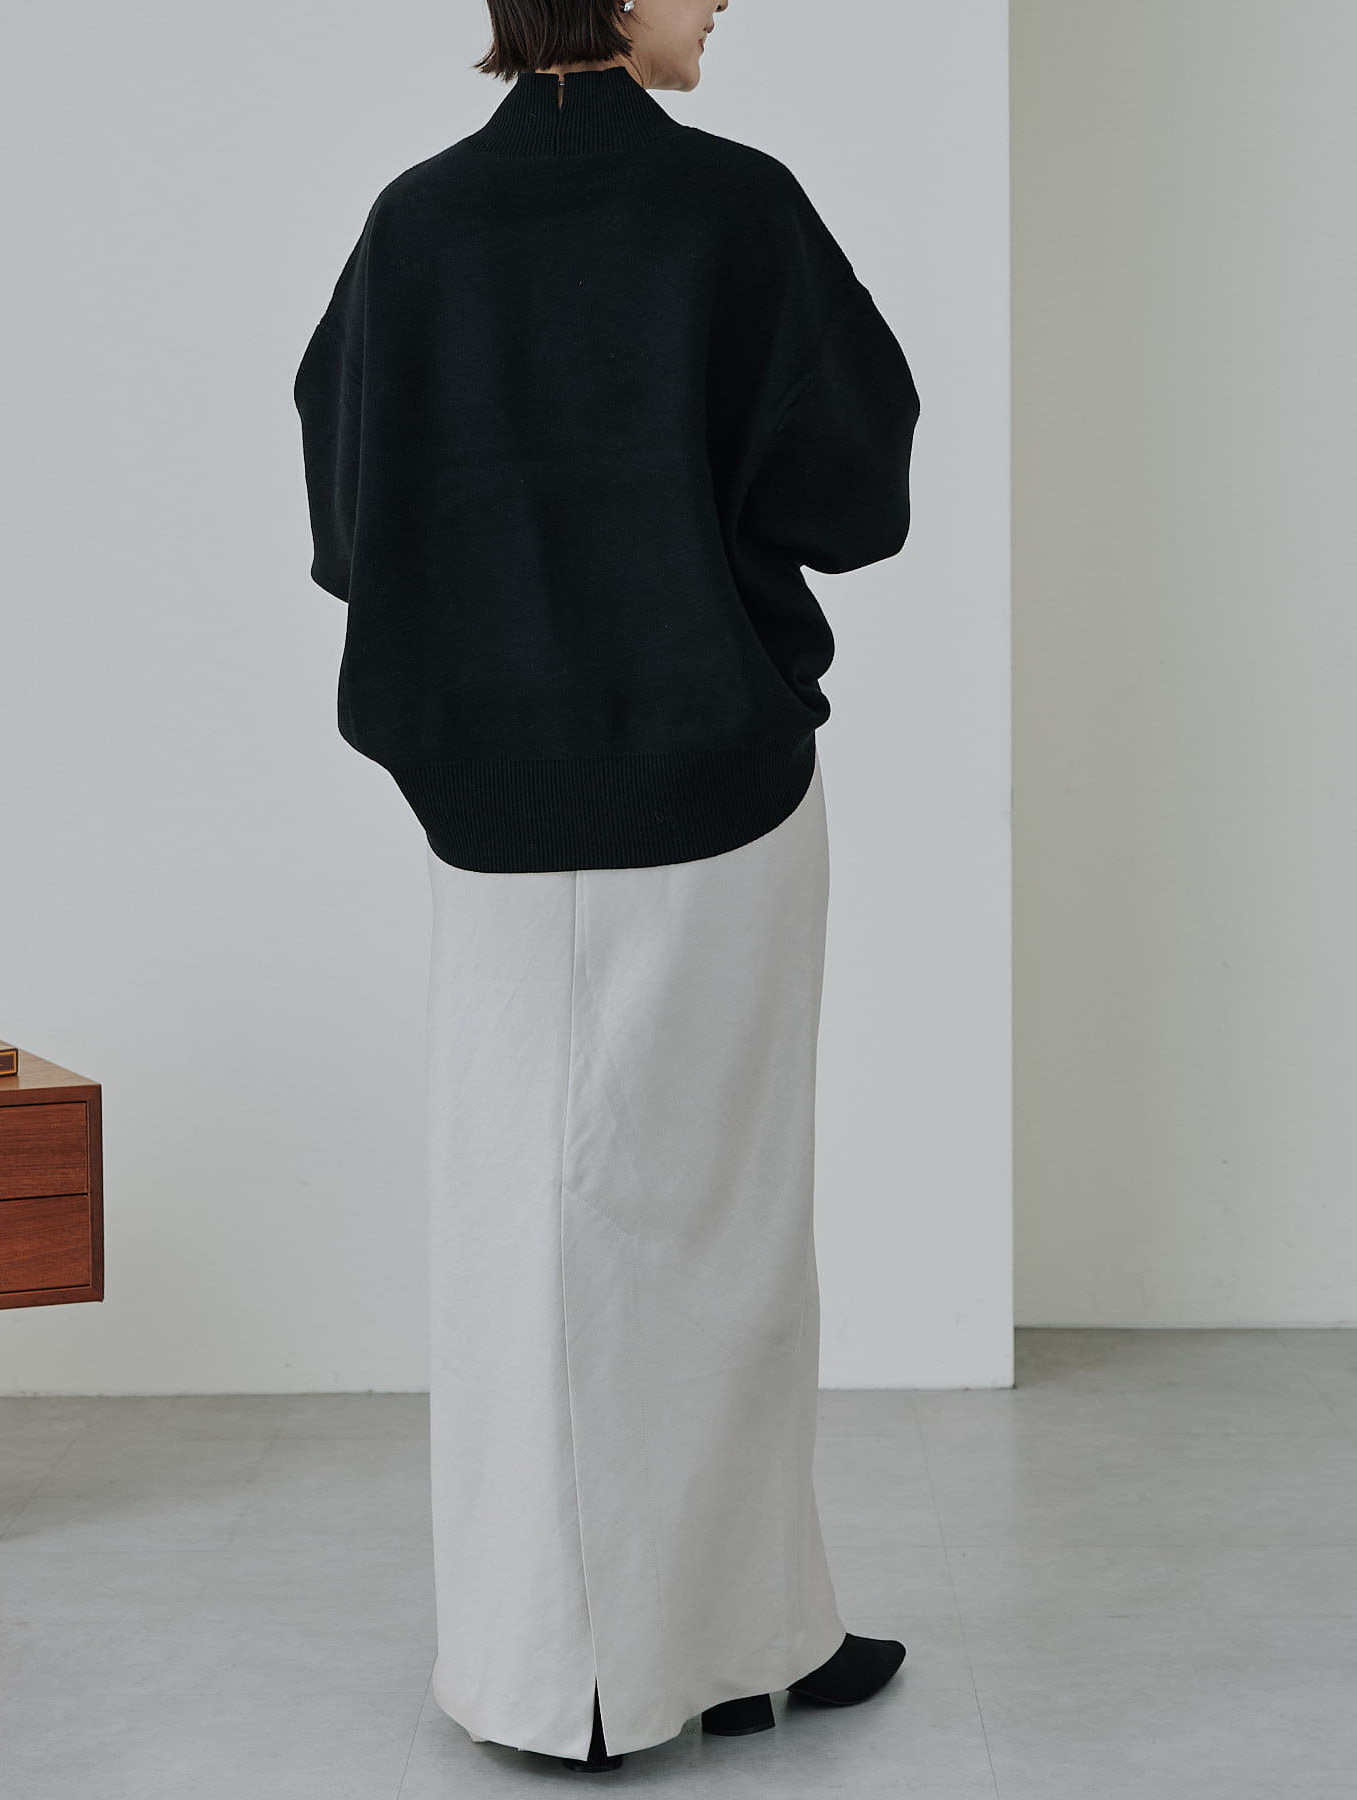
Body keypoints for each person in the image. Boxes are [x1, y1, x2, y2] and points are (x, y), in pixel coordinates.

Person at [293, 0, 921, 1775]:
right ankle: (706, 1649)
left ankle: (555, 1659)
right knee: (723, 1229)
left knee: (520, 1224)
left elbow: (347, 522)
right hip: (716, 792)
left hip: (488, 809)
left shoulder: (415, 223)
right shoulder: (734, 207)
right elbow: (857, 492)